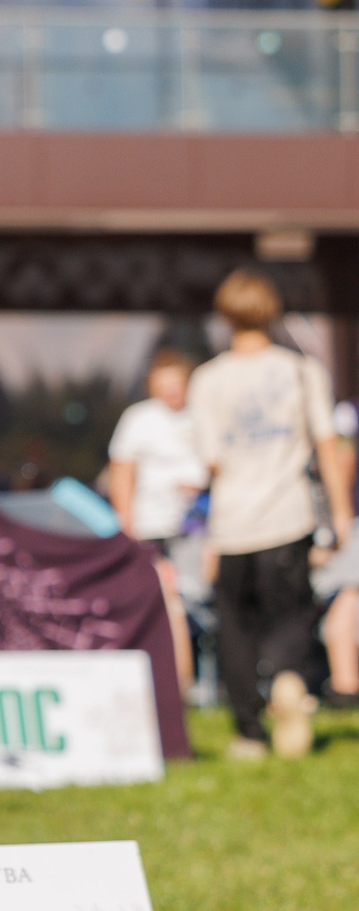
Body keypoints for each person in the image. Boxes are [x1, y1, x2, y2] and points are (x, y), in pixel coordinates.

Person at [186, 269, 351, 760]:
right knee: (293, 613)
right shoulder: (302, 371)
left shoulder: (208, 379)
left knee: (235, 624)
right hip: (290, 515)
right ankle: (286, 678)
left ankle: (249, 733)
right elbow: (327, 445)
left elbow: (210, 461)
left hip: (234, 522)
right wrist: (341, 513)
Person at [106, 348, 208, 690]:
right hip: (153, 531)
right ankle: (178, 684)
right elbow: (122, 474)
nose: (171, 392)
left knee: (196, 602)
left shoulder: (204, 415)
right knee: (169, 603)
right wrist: (128, 529)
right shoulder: (139, 419)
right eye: (163, 385)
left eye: (176, 384)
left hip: (201, 530)